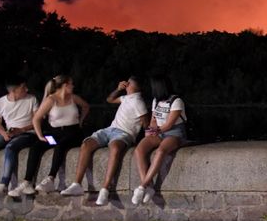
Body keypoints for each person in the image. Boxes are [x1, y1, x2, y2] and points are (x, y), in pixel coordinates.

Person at [61, 77, 149, 205]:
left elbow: (145, 123)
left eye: (129, 82)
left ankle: (105, 188)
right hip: (110, 129)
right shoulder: (126, 98)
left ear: (135, 86)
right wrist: (118, 90)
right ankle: (77, 184)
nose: (126, 83)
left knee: (115, 148)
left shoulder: (138, 102)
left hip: (125, 133)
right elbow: (110, 99)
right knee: (86, 144)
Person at [9, 75, 89, 196]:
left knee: (61, 146)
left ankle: (51, 178)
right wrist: (40, 135)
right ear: (65, 85)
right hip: (56, 133)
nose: (73, 86)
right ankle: (27, 182)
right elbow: (36, 119)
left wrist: (81, 120)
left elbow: (86, 106)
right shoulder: (51, 99)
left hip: (73, 133)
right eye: (71, 84)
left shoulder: (73, 98)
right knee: (37, 146)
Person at [131, 75, 187, 205]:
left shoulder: (176, 101)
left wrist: (154, 131)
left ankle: (142, 186)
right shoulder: (156, 101)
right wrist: (150, 130)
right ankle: (150, 186)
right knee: (139, 150)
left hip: (174, 133)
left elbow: (169, 124)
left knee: (161, 151)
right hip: (159, 132)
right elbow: (153, 120)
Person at [0, 77, 38, 198]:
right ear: (14, 90)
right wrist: (4, 133)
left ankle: (3, 184)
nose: (27, 89)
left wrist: (21, 130)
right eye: (23, 88)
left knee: (10, 148)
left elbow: (36, 122)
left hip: (27, 132)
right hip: (9, 132)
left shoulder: (31, 99)